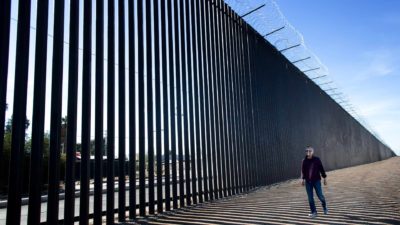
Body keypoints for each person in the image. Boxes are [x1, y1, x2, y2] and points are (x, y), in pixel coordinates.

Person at [301, 146, 328, 218]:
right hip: (308, 182)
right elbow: (303, 171)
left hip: (316, 181)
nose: (308, 152)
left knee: (320, 195)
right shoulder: (304, 161)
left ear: (313, 152)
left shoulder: (317, 160)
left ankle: (324, 206)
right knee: (310, 198)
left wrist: (324, 178)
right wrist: (302, 180)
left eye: (310, 151)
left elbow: (321, 169)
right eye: (306, 151)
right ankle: (314, 212)